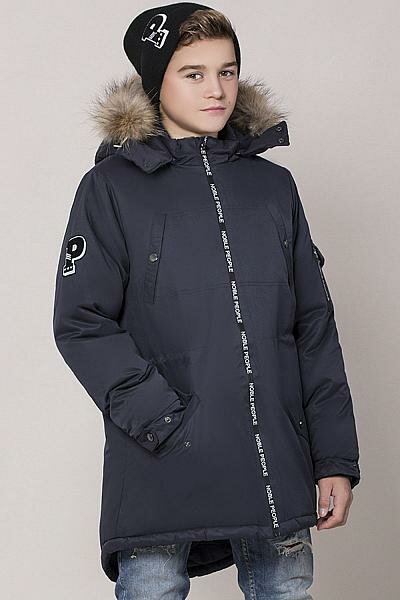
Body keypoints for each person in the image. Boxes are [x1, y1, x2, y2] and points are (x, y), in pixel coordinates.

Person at [52, 3, 361, 599]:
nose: (216, 89)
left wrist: (333, 459)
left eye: (227, 71)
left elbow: (313, 327)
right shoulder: (111, 189)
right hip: (159, 462)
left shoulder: (273, 187)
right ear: (156, 82)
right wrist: (163, 421)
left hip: (274, 461)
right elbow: (82, 322)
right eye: (193, 73)